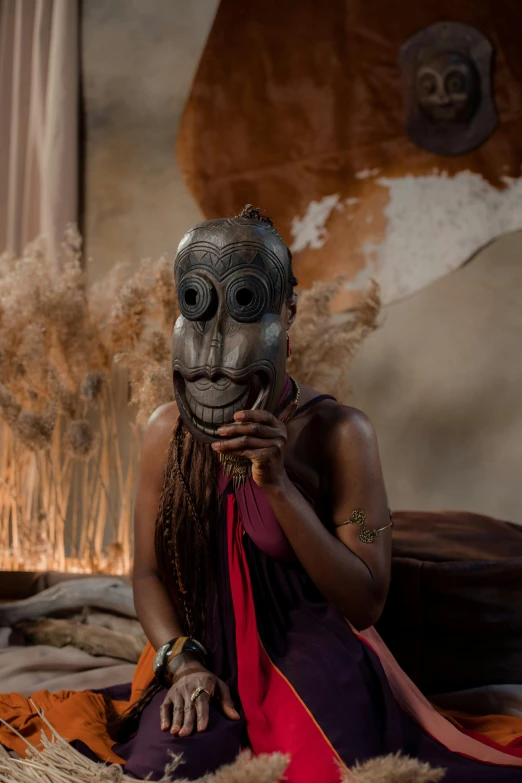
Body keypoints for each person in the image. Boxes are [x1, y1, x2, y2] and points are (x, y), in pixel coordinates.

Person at [1, 207, 521, 782]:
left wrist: (277, 484)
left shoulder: (342, 433)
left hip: (307, 653)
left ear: (288, 311)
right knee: (163, 770)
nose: (218, 342)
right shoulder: (162, 432)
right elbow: (146, 574)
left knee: (329, 770)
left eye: (245, 304)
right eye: (199, 304)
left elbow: (365, 601)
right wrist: (183, 663)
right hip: (198, 651)